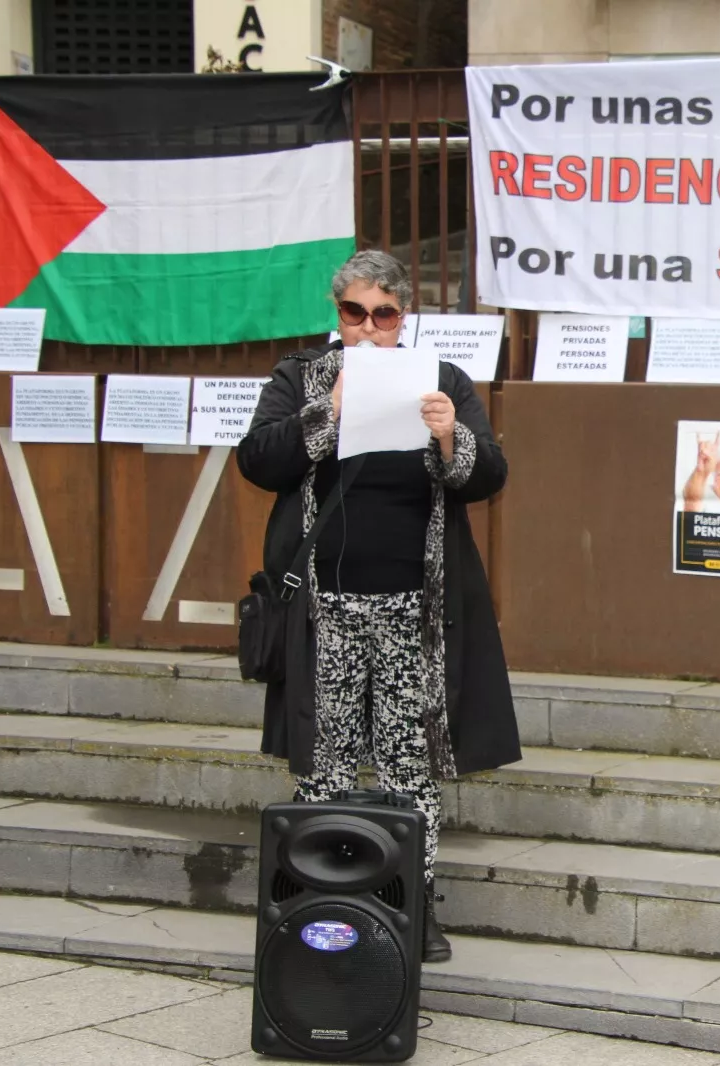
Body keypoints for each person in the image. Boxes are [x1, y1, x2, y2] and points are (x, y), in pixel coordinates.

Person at [236, 249, 519, 963]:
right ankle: (316, 903)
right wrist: (326, 411)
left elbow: (488, 475)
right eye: (354, 313)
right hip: (322, 610)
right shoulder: (300, 375)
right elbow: (258, 460)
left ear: (403, 318)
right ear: (338, 314)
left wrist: (451, 434)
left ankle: (410, 907)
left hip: (413, 614)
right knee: (325, 763)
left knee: (407, 764)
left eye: (384, 314)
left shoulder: (442, 379)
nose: (368, 327)